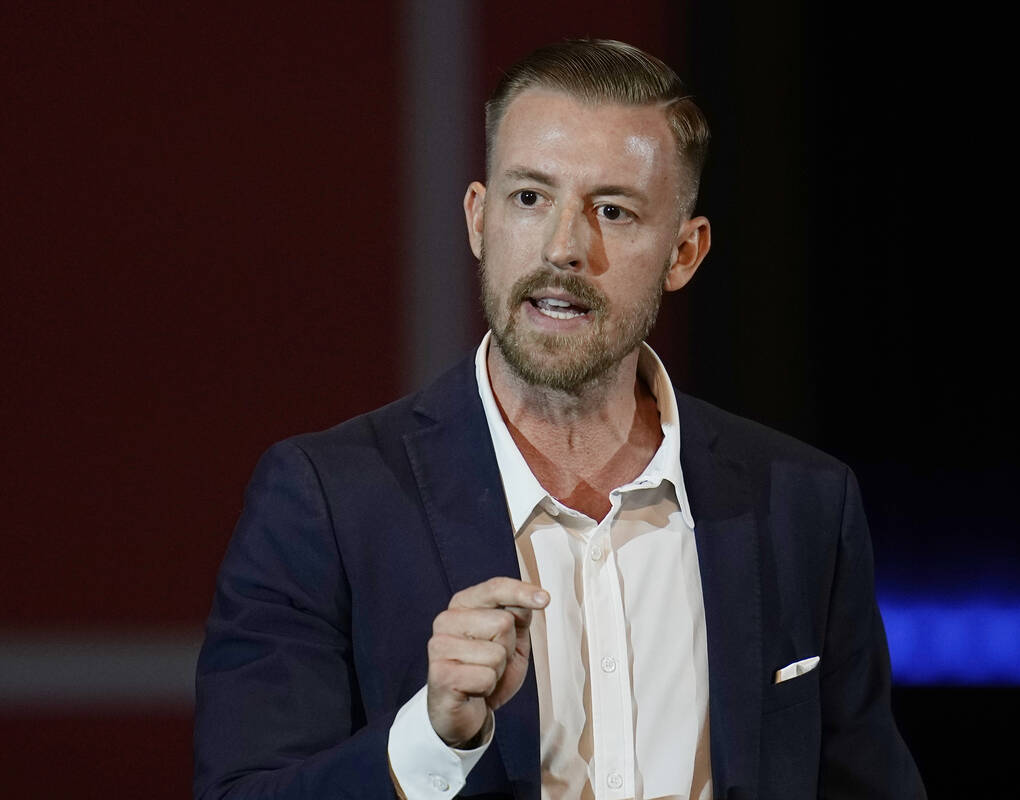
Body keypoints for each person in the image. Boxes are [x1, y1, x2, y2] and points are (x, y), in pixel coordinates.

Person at [193, 39, 925, 800]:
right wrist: (432, 740)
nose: (564, 248)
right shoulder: (327, 500)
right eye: (530, 198)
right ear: (480, 221)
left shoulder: (800, 502)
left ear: (684, 253)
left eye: (613, 210)